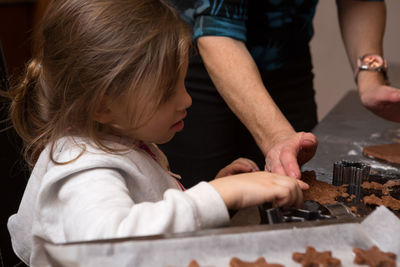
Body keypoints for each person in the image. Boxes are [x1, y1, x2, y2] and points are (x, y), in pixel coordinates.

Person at [5, 0, 309, 265]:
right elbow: (112, 249)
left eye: (182, 83)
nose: (186, 100)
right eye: (166, 92)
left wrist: (220, 201)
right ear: (102, 105)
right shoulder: (83, 170)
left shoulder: (117, 139)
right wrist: (216, 196)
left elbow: (146, 213)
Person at [160, 0, 399, 188]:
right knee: (207, 209)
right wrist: (277, 137)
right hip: (204, 66)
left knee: (299, 189)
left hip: (288, 58)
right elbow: (218, 31)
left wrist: (370, 78)